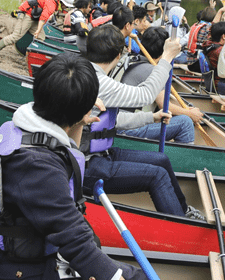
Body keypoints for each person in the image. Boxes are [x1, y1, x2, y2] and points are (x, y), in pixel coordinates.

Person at [0, 52, 147, 280]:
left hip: (30, 256)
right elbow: (74, 240)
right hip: (23, 270)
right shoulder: (36, 167)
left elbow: (66, 154)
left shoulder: (20, 127)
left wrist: (78, 121)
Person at [81, 25, 204, 220]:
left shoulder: (90, 73)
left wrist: (150, 117)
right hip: (86, 165)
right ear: (118, 54)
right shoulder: (98, 82)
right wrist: (167, 57)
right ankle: (181, 226)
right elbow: (145, 94)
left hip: (99, 154)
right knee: (157, 176)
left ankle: (183, 212)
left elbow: (110, 120)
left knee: (161, 160)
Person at [120, 26, 198, 144]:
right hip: (127, 128)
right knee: (185, 123)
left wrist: (184, 110)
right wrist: (190, 114)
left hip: (116, 120)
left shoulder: (127, 58)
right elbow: (164, 105)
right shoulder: (152, 70)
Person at [0, 0, 70, 58]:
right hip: (26, 15)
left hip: (33, 17)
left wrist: (38, 32)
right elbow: (43, 18)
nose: (66, 8)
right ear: (63, 3)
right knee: (16, 36)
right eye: (66, 6)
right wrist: (38, 30)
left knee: (41, 38)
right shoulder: (51, 3)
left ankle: (31, 57)